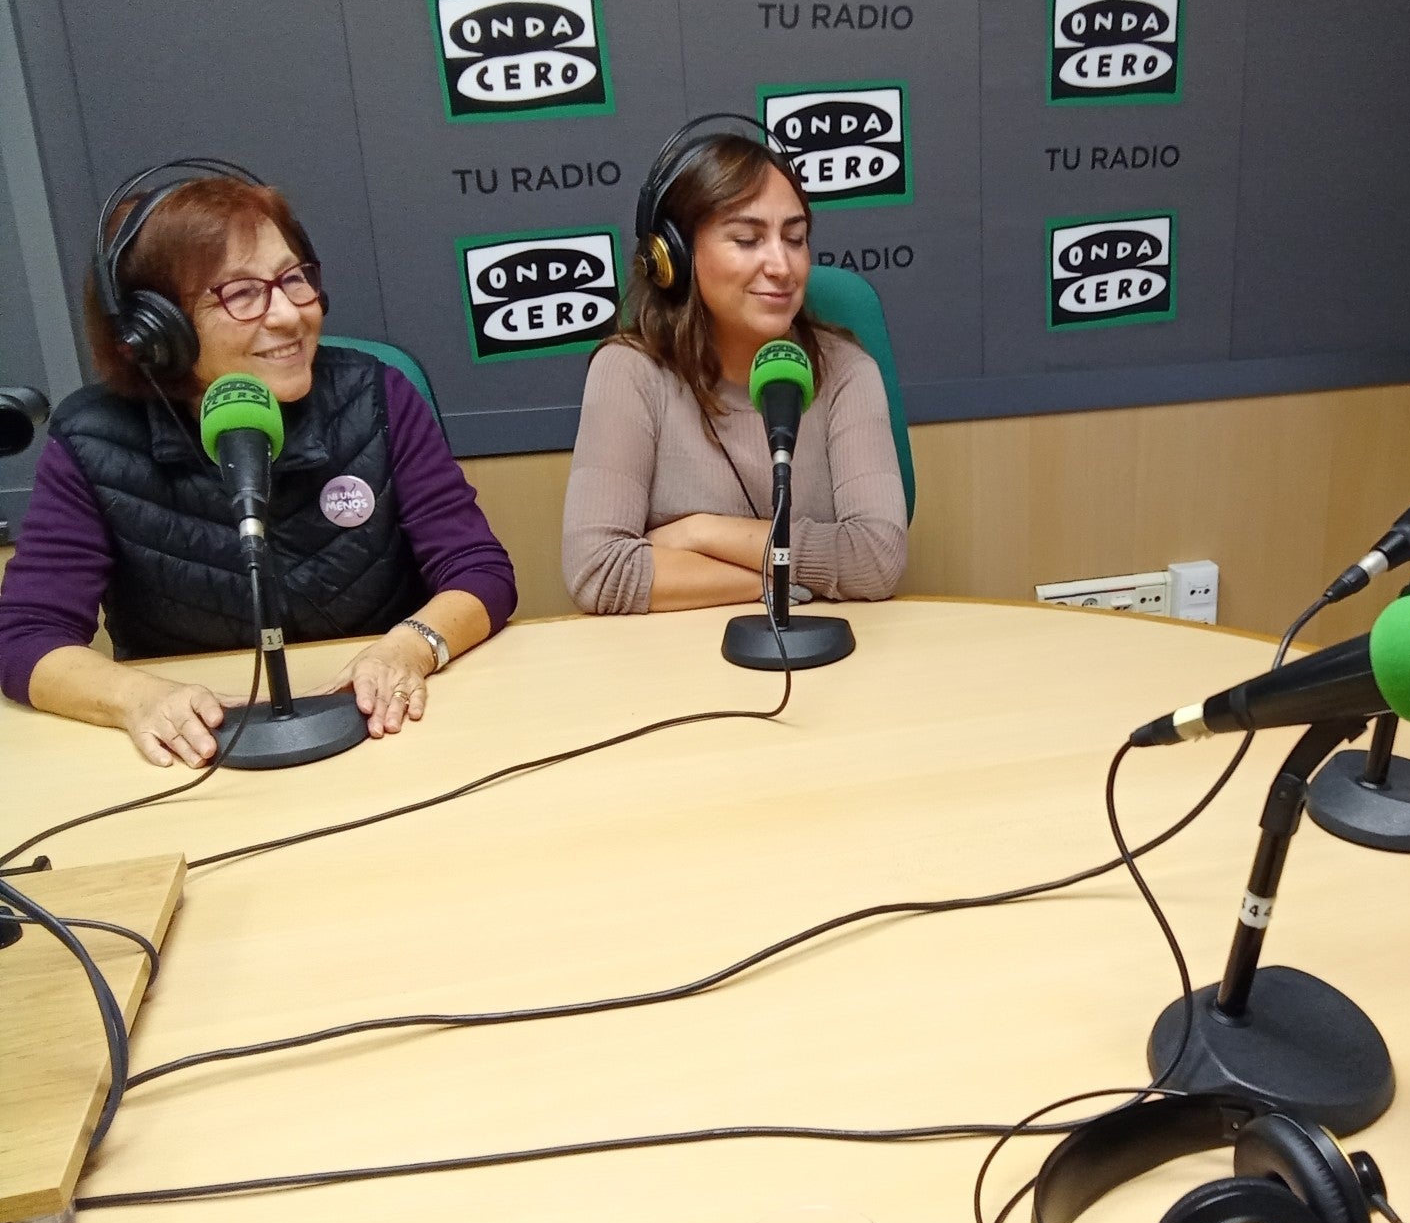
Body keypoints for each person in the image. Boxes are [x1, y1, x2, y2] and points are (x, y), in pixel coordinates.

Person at [0, 164, 517, 766]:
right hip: (206, 752)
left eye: (294, 279)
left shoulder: (376, 396)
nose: (290, 314)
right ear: (155, 332)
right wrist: (135, 698)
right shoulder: (94, 441)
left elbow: (478, 570)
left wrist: (410, 647)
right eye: (242, 294)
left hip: (387, 733)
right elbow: (26, 637)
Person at [562, 129, 907, 614]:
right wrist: (775, 583)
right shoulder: (629, 373)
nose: (782, 265)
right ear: (677, 257)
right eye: (747, 240)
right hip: (673, 665)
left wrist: (698, 532)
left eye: (795, 238)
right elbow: (599, 571)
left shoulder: (846, 371)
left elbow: (875, 560)